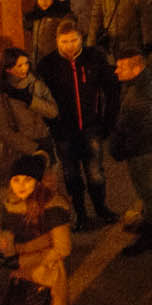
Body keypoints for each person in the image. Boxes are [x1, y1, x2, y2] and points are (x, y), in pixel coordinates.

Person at [37, 21, 118, 229]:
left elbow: (112, 90)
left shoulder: (94, 58)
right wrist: (53, 126)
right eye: (64, 42)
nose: (69, 46)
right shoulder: (47, 65)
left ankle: (101, 209)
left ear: (81, 38)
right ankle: (80, 215)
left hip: (91, 127)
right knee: (71, 175)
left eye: (74, 40)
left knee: (95, 173)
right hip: (64, 132)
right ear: (57, 41)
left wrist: (107, 122)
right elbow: (42, 100)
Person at [0, 153, 71, 305]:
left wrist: (21, 259)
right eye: (16, 180)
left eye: (27, 180)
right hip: (21, 274)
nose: (21, 185)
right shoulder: (10, 204)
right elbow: (7, 231)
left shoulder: (52, 207)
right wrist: (4, 243)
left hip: (45, 276)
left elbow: (63, 247)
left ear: (38, 182)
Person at [107, 45, 152, 257]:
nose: (116, 71)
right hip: (145, 149)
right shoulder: (145, 84)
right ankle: (148, 222)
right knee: (147, 190)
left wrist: (122, 150)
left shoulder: (140, 97)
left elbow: (140, 133)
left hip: (142, 153)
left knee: (148, 191)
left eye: (121, 67)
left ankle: (150, 234)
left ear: (136, 68)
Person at [0, 47, 59, 186]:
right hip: (19, 151)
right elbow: (3, 132)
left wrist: (31, 101)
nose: (25, 68)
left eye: (26, 63)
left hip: (44, 142)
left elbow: (53, 111)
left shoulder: (36, 84)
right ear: (8, 69)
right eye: (19, 65)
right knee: (21, 192)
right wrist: (33, 148)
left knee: (45, 192)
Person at [24, 0, 72, 64]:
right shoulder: (37, 15)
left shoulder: (61, 16)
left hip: (56, 60)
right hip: (38, 59)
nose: (43, 2)